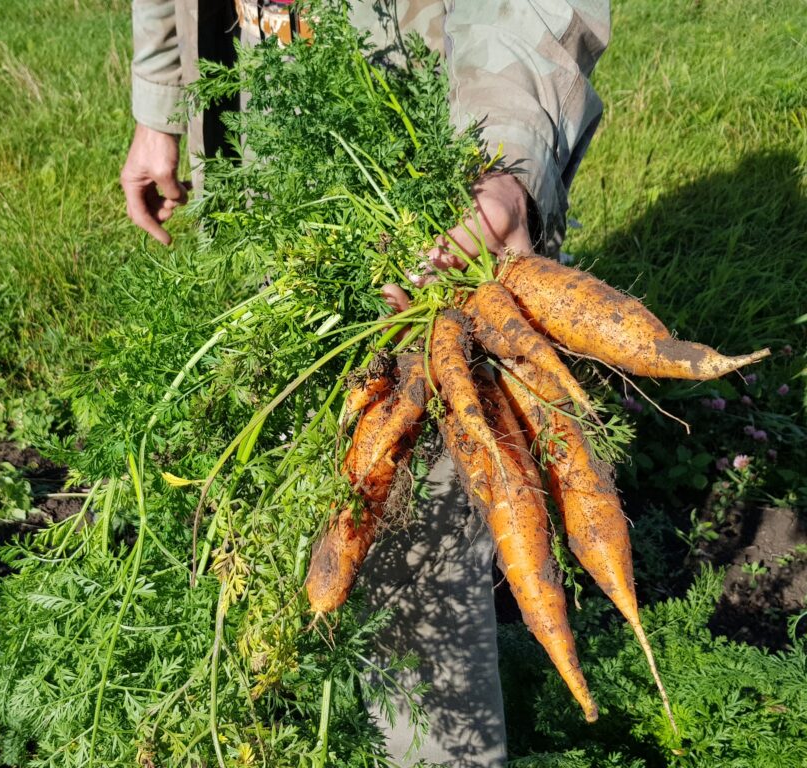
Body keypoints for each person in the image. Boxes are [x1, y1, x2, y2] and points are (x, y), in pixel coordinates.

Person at [121, 2, 610, 765]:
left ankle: (432, 746)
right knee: (299, 467)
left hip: (429, 162)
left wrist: (509, 160)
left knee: (416, 536)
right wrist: (162, 97)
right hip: (247, 112)